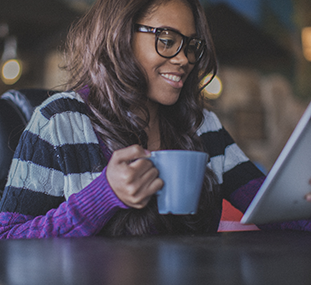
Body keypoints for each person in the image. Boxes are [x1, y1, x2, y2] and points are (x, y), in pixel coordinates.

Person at [0, 0, 310, 239]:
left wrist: (302, 200)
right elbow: (9, 238)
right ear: (119, 36)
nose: (184, 59)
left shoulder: (202, 125)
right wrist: (104, 196)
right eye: (166, 39)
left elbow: (271, 210)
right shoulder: (59, 122)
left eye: (190, 45)